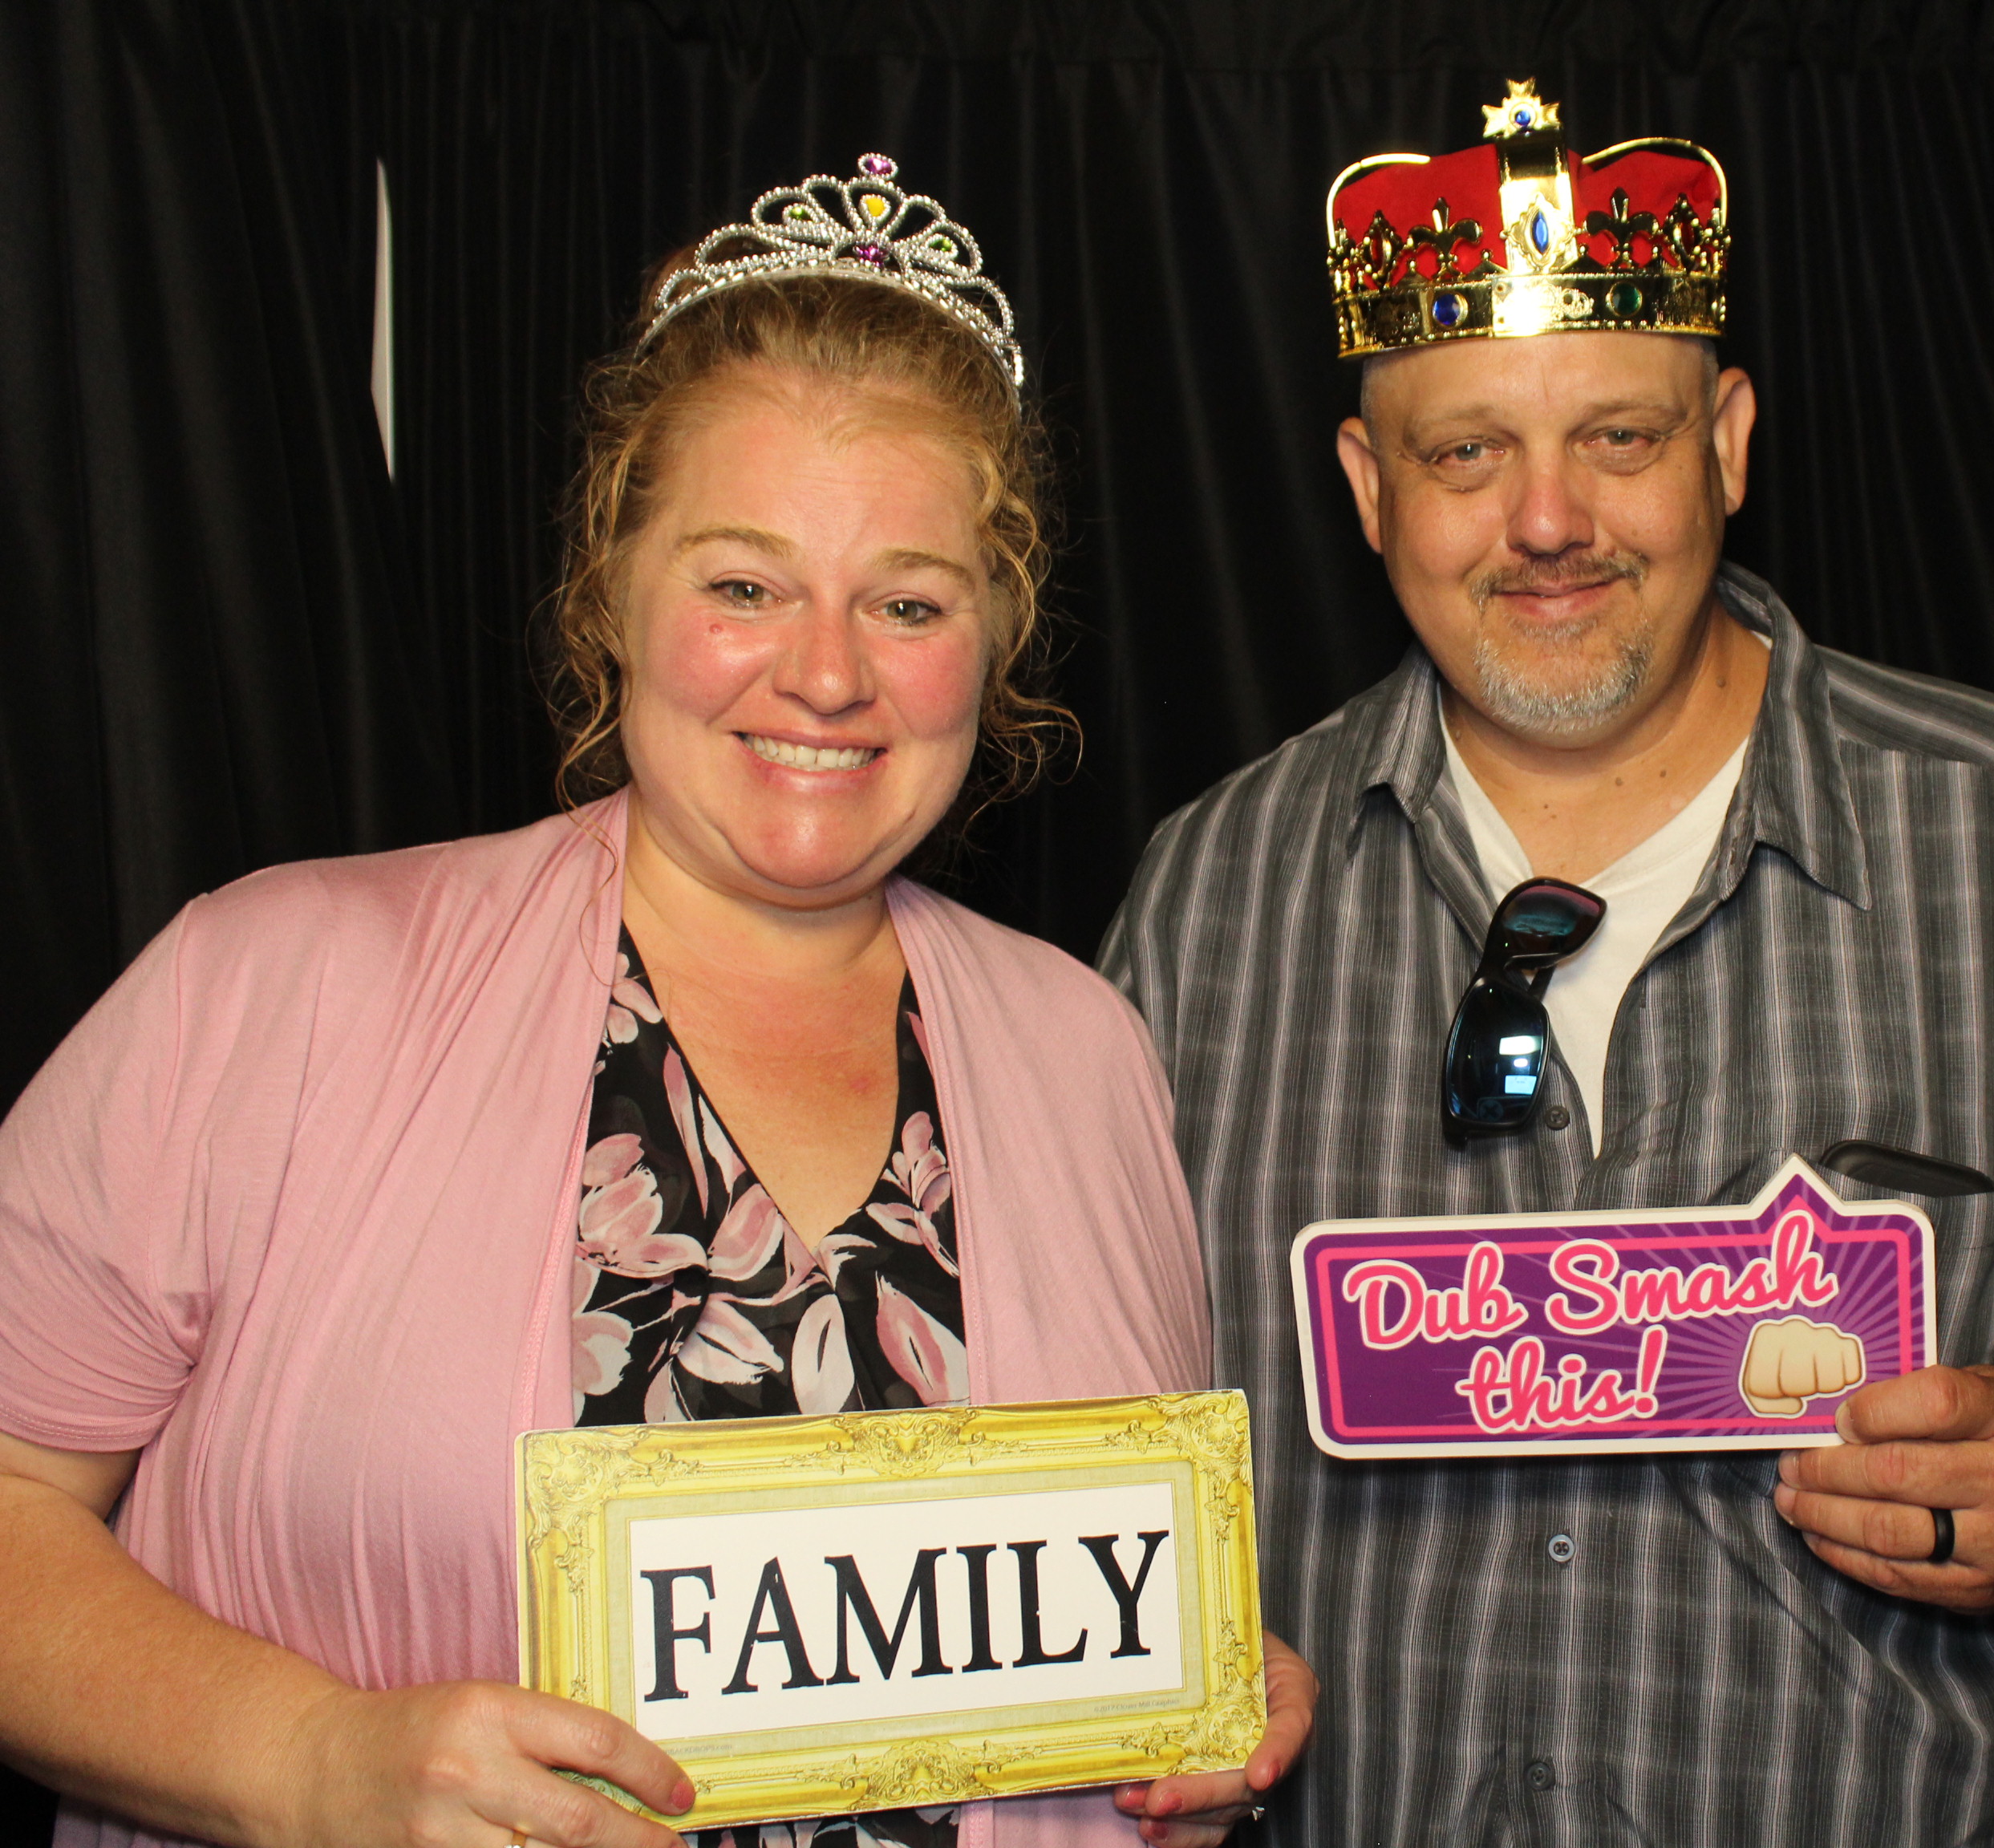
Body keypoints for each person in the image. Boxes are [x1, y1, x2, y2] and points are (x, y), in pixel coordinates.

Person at [1100, 85, 1994, 1845]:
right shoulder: (1211, 901)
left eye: (1618, 440)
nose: (1547, 522)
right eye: (1468, 453)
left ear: (1727, 440)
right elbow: (1089, 1396)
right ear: (1366, 487)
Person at [0, 157, 1309, 1848]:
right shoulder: (275, 986)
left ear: (997, 637)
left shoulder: (1088, 1046)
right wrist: (304, 1758)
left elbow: (1066, 1621)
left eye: (907, 602)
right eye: (743, 583)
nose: (826, 672)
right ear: (612, 590)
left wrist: (1197, 1697)